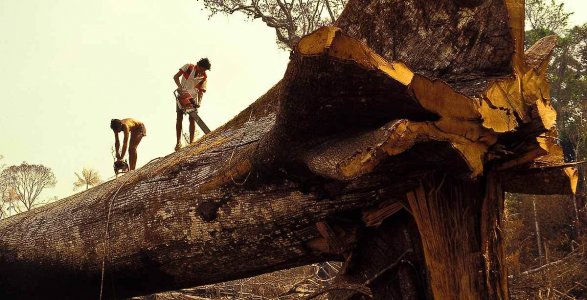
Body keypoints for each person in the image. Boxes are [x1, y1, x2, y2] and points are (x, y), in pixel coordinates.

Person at [173, 57, 211, 151]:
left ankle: (191, 142)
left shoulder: (204, 77)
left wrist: (198, 103)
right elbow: (176, 77)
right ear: (198, 65)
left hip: (192, 99)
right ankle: (178, 142)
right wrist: (179, 87)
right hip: (182, 95)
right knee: (179, 117)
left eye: (204, 70)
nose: (202, 71)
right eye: (201, 69)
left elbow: (201, 92)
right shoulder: (188, 67)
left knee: (192, 118)